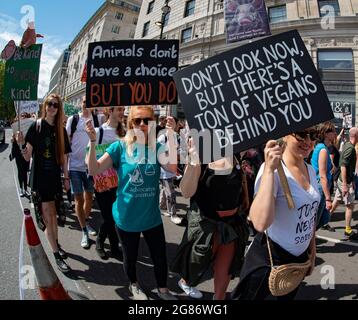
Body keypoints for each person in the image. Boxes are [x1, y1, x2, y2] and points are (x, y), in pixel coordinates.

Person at [85, 105, 178, 300]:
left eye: (147, 120)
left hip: (152, 217)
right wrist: (92, 142)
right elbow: (94, 169)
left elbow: (172, 167)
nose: (142, 124)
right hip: (126, 217)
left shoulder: (156, 147)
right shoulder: (119, 146)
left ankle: (163, 289)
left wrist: (171, 135)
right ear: (130, 123)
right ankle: (134, 285)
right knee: (131, 257)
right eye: (138, 120)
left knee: (160, 256)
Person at [231, 129, 319, 300]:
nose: (308, 141)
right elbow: (260, 223)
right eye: (301, 135)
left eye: (313, 136)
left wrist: (312, 254)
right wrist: (270, 170)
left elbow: (309, 217)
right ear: (285, 134)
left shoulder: (310, 170)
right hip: (269, 259)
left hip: (297, 261)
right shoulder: (273, 169)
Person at [171, 139, 250, 300]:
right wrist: (194, 164)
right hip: (206, 226)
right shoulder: (202, 153)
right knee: (196, 265)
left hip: (231, 227)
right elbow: (186, 192)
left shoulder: (236, 151)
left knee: (224, 272)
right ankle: (185, 282)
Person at [16, 94, 71, 273]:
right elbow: (27, 156)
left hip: (54, 179)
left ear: (59, 108)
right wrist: (21, 143)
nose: (52, 107)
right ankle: (55, 254)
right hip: (40, 180)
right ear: (45, 106)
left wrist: (66, 178)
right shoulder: (36, 126)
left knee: (54, 216)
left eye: (55, 105)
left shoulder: (61, 130)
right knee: (48, 217)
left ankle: (56, 244)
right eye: (49, 104)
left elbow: (64, 158)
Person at [87, 106, 125, 260]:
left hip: (119, 181)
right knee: (109, 217)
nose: (122, 112)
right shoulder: (99, 131)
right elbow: (88, 155)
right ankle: (101, 242)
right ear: (110, 111)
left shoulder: (125, 134)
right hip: (102, 181)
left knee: (115, 216)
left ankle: (114, 248)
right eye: (119, 109)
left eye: (123, 109)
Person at [66, 96, 98, 249]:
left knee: (90, 198)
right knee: (78, 199)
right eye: (84, 101)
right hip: (74, 166)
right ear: (81, 103)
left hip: (90, 167)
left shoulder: (97, 119)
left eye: (89, 102)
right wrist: (65, 168)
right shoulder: (73, 119)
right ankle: (84, 230)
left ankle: (84, 221)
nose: (86, 104)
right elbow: (66, 142)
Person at [330, 127, 358, 240]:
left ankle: (324, 221)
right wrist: (346, 184)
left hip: (344, 179)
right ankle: (348, 230)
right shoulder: (350, 148)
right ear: (356, 136)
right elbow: (343, 165)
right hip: (344, 181)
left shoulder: (347, 144)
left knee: (336, 201)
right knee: (350, 205)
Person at [310, 122, 335, 231]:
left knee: (321, 219)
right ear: (325, 134)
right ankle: (310, 247)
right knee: (315, 222)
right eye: (332, 131)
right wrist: (329, 198)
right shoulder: (323, 150)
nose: (335, 133)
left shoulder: (321, 147)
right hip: (321, 188)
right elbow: (323, 175)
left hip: (320, 187)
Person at [11, 129, 30, 197]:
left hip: (25, 152)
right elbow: (12, 140)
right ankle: (21, 189)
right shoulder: (16, 128)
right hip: (18, 154)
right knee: (20, 171)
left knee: (25, 171)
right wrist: (13, 138)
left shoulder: (26, 128)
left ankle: (25, 189)